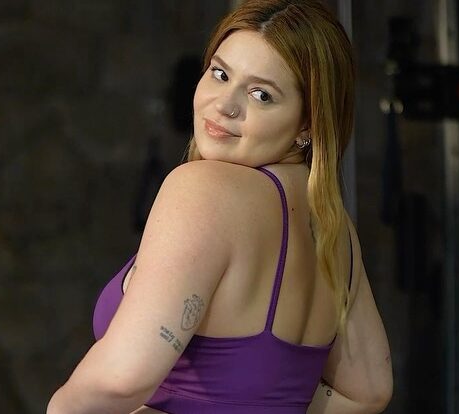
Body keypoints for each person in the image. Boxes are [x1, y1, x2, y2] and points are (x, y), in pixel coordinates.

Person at [47, 1, 392, 413]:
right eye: (220, 73)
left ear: (307, 123)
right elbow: (368, 390)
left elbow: (121, 379)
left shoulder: (204, 189)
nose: (225, 104)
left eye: (261, 95)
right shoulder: (332, 225)